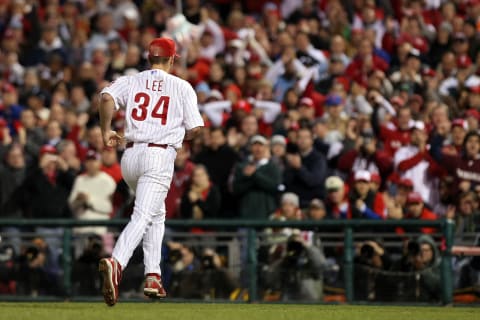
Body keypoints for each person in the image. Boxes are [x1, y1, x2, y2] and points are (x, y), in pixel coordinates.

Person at [97, 37, 204, 306]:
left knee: (156, 213)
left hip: (130, 156)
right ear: (171, 59)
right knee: (144, 215)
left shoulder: (132, 79)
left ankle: (153, 275)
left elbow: (106, 97)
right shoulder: (181, 86)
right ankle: (117, 262)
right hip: (158, 155)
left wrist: (106, 130)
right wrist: (180, 134)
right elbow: (196, 129)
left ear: (149, 58)